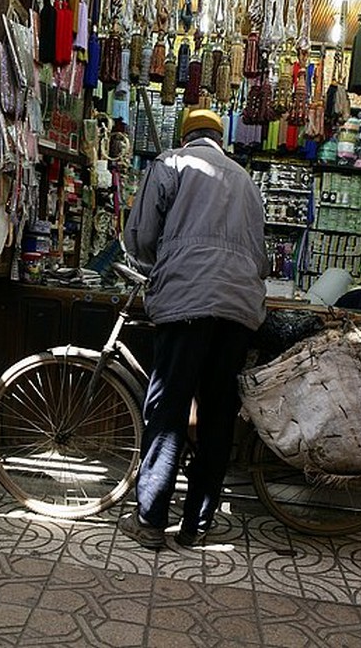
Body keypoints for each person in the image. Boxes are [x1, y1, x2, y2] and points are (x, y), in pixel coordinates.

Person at [118, 108, 268, 549]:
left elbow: (141, 237)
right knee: (218, 414)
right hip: (238, 310)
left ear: (186, 138)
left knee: (169, 409)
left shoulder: (171, 164)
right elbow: (260, 257)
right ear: (221, 140)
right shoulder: (246, 181)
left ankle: (150, 520)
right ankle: (197, 525)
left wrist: (160, 267)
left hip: (187, 303)